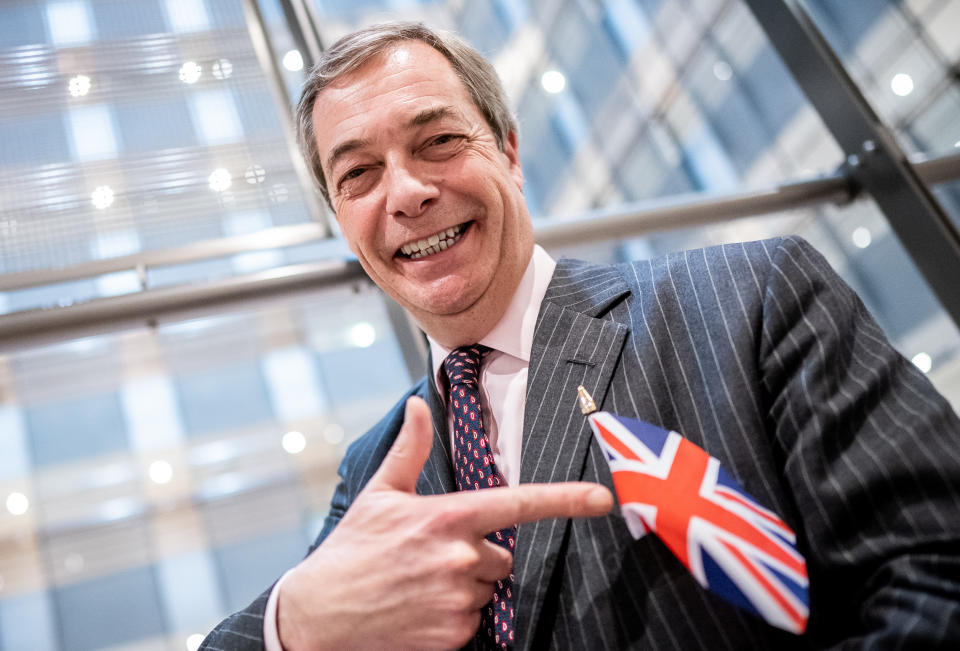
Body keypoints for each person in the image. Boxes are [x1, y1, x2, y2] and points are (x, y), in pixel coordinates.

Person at [201, 21, 960, 651]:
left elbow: (934, 568)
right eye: (358, 173)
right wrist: (293, 622)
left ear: (509, 151)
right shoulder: (375, 471)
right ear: (342, 219)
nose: (405, 193)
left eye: (436, 142)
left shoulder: (747, 300)